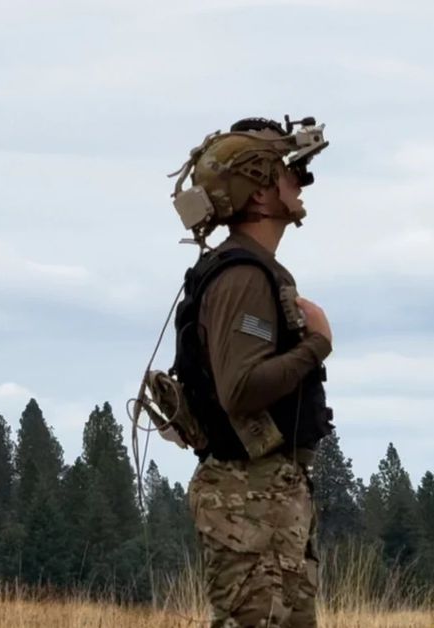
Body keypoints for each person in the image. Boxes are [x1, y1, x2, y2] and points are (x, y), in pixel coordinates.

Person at [167, 116, 334, 627]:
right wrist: (317, 345)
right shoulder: (243, 275)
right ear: (260, 194)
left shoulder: (246, 269)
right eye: (286, 172)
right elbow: (240, 389)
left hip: (264, 499)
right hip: (249, 502)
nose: (298, 182)